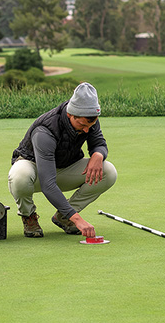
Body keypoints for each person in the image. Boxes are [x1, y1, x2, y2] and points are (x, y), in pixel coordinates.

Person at [8, 82, 117, 238]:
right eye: (82, 125)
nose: (87, 130)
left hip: (66, 168)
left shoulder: (88, 119)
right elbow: (48, 184)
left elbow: (99, 143)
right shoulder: (44, 131)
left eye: (91, 124)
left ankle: (63, 217)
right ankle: (29, 215)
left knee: (109, 171)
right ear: (70, 114)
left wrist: (98, 155)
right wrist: (78, 219)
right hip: (36, 173)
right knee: (20, 175)